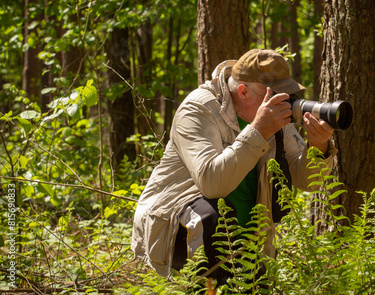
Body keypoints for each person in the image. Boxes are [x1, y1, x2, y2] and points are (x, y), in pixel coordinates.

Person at [131, 49, 337, 283]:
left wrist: (318, 146)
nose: (283, 100)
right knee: (210, 217)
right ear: (243, 91)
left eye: (286, 93)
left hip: (246, 236)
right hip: (177, 227)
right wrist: (259, 130)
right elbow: (212, 183)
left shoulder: (275, 115)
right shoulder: (199, 109)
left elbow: (308, 182)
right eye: (274, 94)